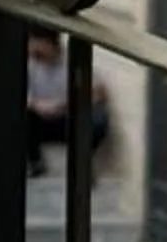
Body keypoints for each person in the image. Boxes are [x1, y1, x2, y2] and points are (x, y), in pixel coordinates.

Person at [24, 30, 111, 177]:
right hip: (40, 117)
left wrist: (66, 104)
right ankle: (35, 162)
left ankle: (83, 166)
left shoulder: (71, 63)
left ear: (52, 45)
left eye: (40, 50)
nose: (36, 55)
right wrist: (39, 106)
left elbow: (99, 92)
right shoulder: (31, 65)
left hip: (68, 116)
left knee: (98, 118)